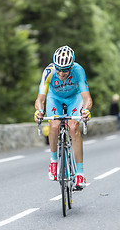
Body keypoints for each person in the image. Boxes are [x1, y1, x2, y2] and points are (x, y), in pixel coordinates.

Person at [34, 45, 92, 188]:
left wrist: (86, 110)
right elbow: (40, 98)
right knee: (54, 125)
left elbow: (87, 98)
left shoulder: (78, 70)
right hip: (55, 98)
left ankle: (80, 173)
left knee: (73, 127)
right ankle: (54, 162)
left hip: (74, 98)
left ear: (71, 67)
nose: (61, 73)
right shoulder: (49, 71)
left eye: (65, 70)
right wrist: (39, 111)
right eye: (58, 69)